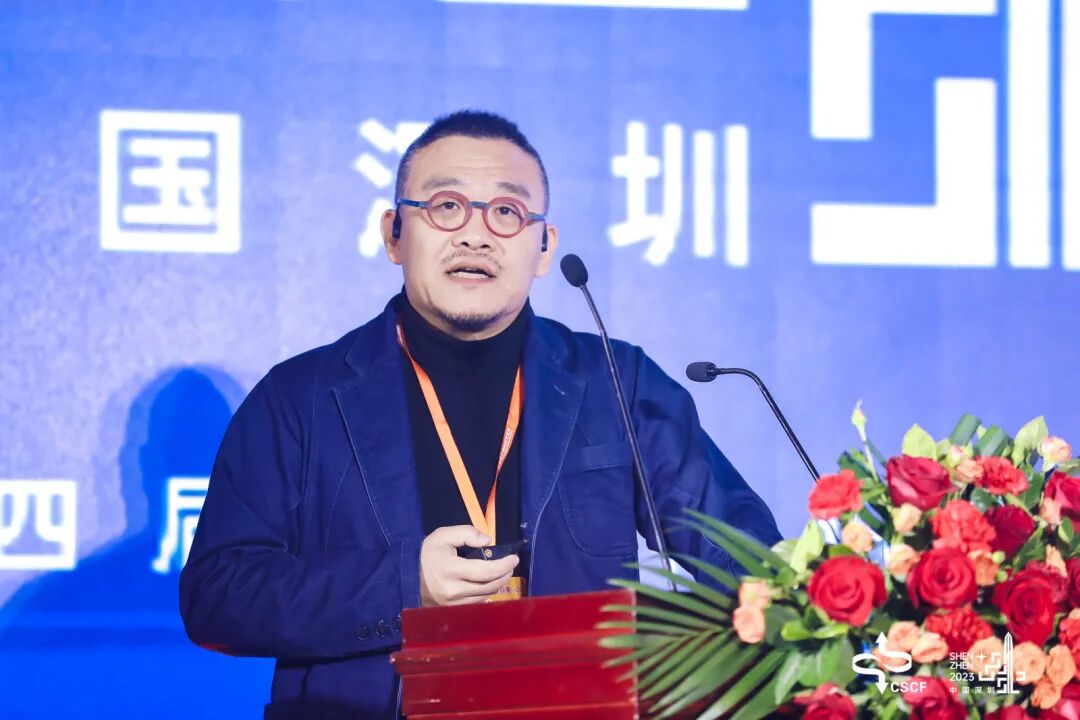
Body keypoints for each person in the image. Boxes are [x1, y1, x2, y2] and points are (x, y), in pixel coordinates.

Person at [179, 109, 782, 719]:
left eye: (507, 212)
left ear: (543, 247)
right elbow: (218, 595)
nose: (476, 235)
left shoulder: (618, 383)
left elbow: (739, 551)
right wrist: (405, 585)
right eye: (446, 207)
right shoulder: (300, 397)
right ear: (393, 234)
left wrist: (800, 616)